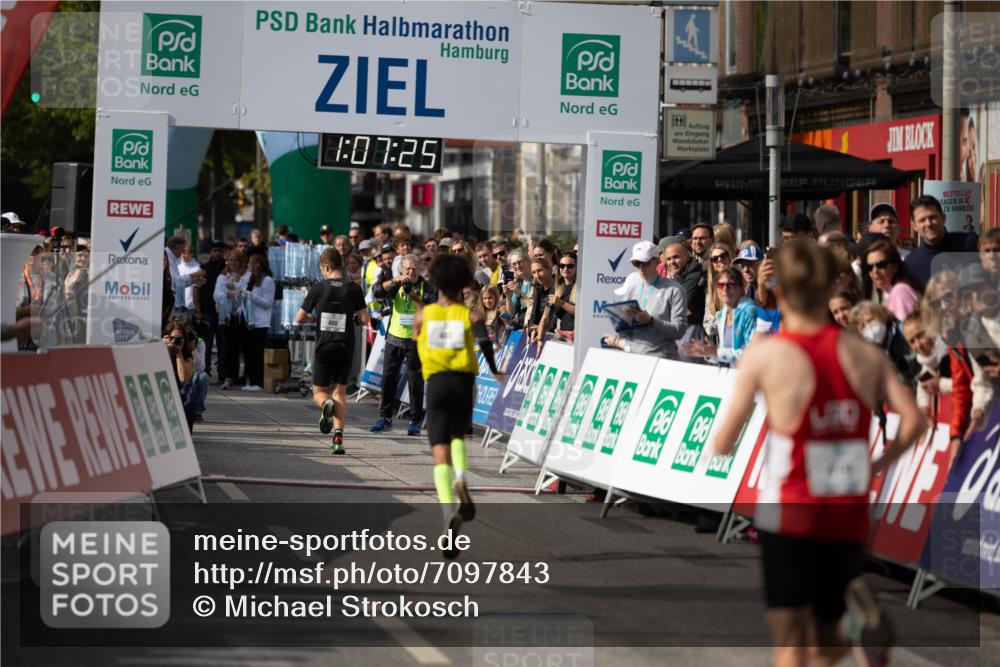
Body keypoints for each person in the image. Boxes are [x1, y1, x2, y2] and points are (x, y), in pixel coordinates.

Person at [712, 240, 926, 667]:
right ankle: (851, 627)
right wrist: (877, 464)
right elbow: (916, 420)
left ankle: (850, 628)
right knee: (825, 639)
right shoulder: (863, 352)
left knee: (791, 646)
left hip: (789, 510)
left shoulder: (767, 354)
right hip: (847, 509)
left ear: (780, 292)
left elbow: (723, 443)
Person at [414, 254, 504, 559]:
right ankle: (462, 477)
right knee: (458, 437)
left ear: (436, 282)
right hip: (464, 382)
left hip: (436, 382)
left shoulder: (424, 315)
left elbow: (416, 340)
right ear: (463, 283)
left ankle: (447, 514)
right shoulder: (471, 315)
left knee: (439, 452)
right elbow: (484, 342)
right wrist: (494, 369)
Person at [296, 248, 370, 454]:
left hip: (324, 346)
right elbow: (364, 319)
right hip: (346, 345)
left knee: (319, 392)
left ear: (326, 267)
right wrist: (351, 318)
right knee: (340, 392)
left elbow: (299, 318)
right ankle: (338, 438)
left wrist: (314, 319)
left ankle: (325, 404)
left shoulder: (319, 287)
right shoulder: (354, 288)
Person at [371, 254, 436, 435]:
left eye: (414, 269)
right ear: (402, 270)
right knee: (388, 379)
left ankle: (415, 421)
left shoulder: (427, 287)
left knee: (415, 381)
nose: (411, 272)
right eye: (407, 268)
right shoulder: (396, 283)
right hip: (394, 337)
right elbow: (376, 292)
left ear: (420, 270)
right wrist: (393, 281)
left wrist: (414, 296)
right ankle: (385, 417)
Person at [601, 241, 687, 358]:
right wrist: (620, 323)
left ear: (657, 261)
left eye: (645, 262)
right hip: (632, 356)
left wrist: (651, 321)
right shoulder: (632, 282)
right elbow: (627, 327)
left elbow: (679, 331)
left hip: (660, 358)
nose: (640, 267)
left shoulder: (675, 290)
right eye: (636, 263)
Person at [681, 267, 758, 365]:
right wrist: (708, 353)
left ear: (741, 288)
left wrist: (716, 352)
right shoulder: (722, 315)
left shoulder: (750, 312)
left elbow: (754, 354)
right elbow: (725, 356)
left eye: (731, 285)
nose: (725, 289)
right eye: (721, 285)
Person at [903, 195, 978, 288]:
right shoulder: (911, 263)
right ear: (914, 226)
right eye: (922, 220)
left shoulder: (970, 243)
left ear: (943, 218)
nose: (928, 223)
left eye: (932, 217)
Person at [849, 301, 920, 386]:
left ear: (882, 316)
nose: (869, 327)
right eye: (862, 326)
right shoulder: (873, 352)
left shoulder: (903, 330)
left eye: (870, 320)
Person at [163, 317, 209, 430]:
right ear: (167, 338)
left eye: (180, 338)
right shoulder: (161, 350)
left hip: (182, 397)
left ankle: (195, 414)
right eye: (174, 338)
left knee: (201, 378)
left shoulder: (187, 355)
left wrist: (179, 354)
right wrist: (162, 346)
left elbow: (183, 378)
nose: (177, 341)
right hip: (164, 392)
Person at [239, 252, 275, 392]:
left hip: (260, 323)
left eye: (250, 263)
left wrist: (250, 295)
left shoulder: (267, 280)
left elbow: (267, 303)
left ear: (258, 264)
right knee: (247, 353)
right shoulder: (250, 278)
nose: (248, 265)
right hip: (247, 320)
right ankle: (251, 379)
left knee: (257, 353)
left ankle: (258, 381)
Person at [862, 240, 922, 321]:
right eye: (869, 267)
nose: (875, 271)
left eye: (881, 265)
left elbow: (908, 331)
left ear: (895, 267)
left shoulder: (900, 291)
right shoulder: (883, 293)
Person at [661, 239, 706, 329]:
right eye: (669, 259)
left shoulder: (695, 274)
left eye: (676, 257)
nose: (672, 262)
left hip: (697, 330)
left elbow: (680, 303)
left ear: (687, 256)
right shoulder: (678, 275)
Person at [199, 241, 227, 380]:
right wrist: (198, 309)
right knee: (207, 343)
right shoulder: (204, 268)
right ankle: (206, 370)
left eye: (220, 251)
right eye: (215, 250)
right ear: (211, 252)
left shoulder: (227, 269)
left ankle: (222, 373)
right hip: (207, 310)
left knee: (223, 343)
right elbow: (196, 290)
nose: (217, 253)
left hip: (223, 312)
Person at [703, 242, 736, 337]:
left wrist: (718, 317)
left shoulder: (742, 282)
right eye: (714, 259)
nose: (720, 260)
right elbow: (708, 327)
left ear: (729, 256)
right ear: (712, 264)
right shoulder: (711, 289)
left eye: (723, 255)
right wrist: (721, 318)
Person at [165, 236, 205, 309]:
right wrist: (195, 274)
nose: (182, 254)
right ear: (177, 247)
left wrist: (193, 281)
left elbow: (177, 283)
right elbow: (174, 281)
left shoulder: (171, 258)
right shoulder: (166, 257)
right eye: (183, 250)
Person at [547, 252, 577, 340]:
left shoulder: (581, 287)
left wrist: (562, 303)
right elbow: (546, 315)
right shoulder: (557, 288)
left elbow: (581, 313)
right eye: (562, 265)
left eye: (570, 266)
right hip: (562, 336)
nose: (565, 268)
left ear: (577, 267)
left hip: (577, 338)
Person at [63, 247, 89, 344]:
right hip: (72, 318)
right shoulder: (70, 274)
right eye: (80, 255)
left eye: (86, 256)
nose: (83, 258)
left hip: (83, 319)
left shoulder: (88, 274)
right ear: (74, 257)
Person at [503, 249, 532, 327]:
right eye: (514, 264)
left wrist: (519, 293)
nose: (517, 266)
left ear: (528, 261)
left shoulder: (536, 280)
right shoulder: (518, 283)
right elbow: (511, 314)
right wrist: (508, 297)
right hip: (521, 325)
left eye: (520, 262)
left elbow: (534, 306)